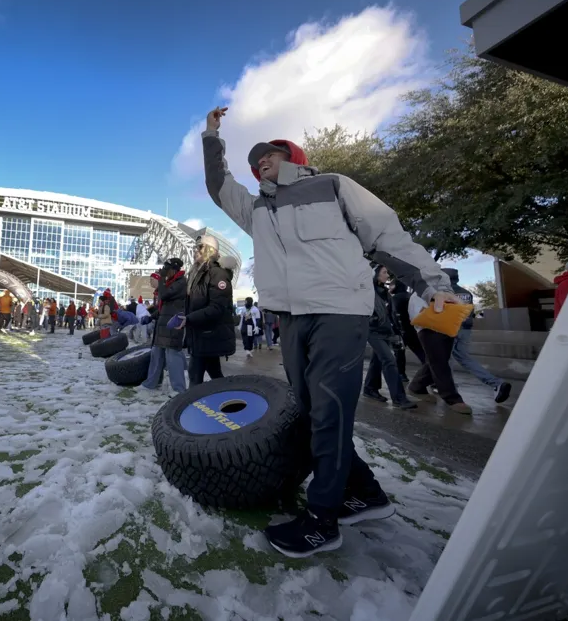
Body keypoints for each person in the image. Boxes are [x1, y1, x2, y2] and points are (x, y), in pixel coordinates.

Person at [202, 105, 457, 558]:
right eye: (256, 158)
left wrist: (433, 283)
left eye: (271, 154)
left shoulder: (333, 184)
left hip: (340, 310)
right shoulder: (257, 208)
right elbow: (219, 187)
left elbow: (387, 236)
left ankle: (323, 520)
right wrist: (212, 137)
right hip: (291, 317)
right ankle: (368, 493)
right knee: (310, 412)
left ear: (294, 157)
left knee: (329, 413)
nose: (261, 160)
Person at [443, 268, 512, 403]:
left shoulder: (445, 293)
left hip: (451, 328)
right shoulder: (466, 293)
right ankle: (496, 383)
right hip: (466, 329)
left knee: (445, 359)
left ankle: (448, 389)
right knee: (465, 358)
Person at [407, 291, 473, 415]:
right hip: (428, 330)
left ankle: (417, 387)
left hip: (447, 328)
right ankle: (452, 398)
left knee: (436, 360)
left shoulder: (444, 290)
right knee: (439, 363)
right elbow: (416, 315)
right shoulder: (420, 292)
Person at [182, 235, 235, 385]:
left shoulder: (218, 274)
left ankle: (192, 404)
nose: (195, 250)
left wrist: (189, 318)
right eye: (195, 247)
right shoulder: (197, 274)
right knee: (214, 374)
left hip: (209, 335)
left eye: (200, 247)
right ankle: (230, 401)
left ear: (211, 250)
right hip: (199, 335)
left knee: (195, 375)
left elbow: (217, 307)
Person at [362, 266, 417, 409]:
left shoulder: (385, 293)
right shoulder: (368, 291)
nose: (387, 275)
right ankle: (399, 399)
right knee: (390, 361)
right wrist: (372, 321)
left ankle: (370, 388)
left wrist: (396, 331)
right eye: (384, 272)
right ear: (375, 275)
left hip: (386, 331)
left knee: (377, 361)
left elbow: (390, 314)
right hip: (373, 331)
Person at [143, 258, 188, 394]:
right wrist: (151, 316)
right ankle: (150, 384)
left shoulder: (180, 283)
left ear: (173, 269)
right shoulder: (170, 282)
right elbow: (165, 307)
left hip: (172, 325)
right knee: (156, 355)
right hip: (163, 325)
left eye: (166, 269)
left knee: (173, 357)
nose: (164, 272)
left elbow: (164, 295)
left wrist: (161, 279)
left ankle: (178, 390)